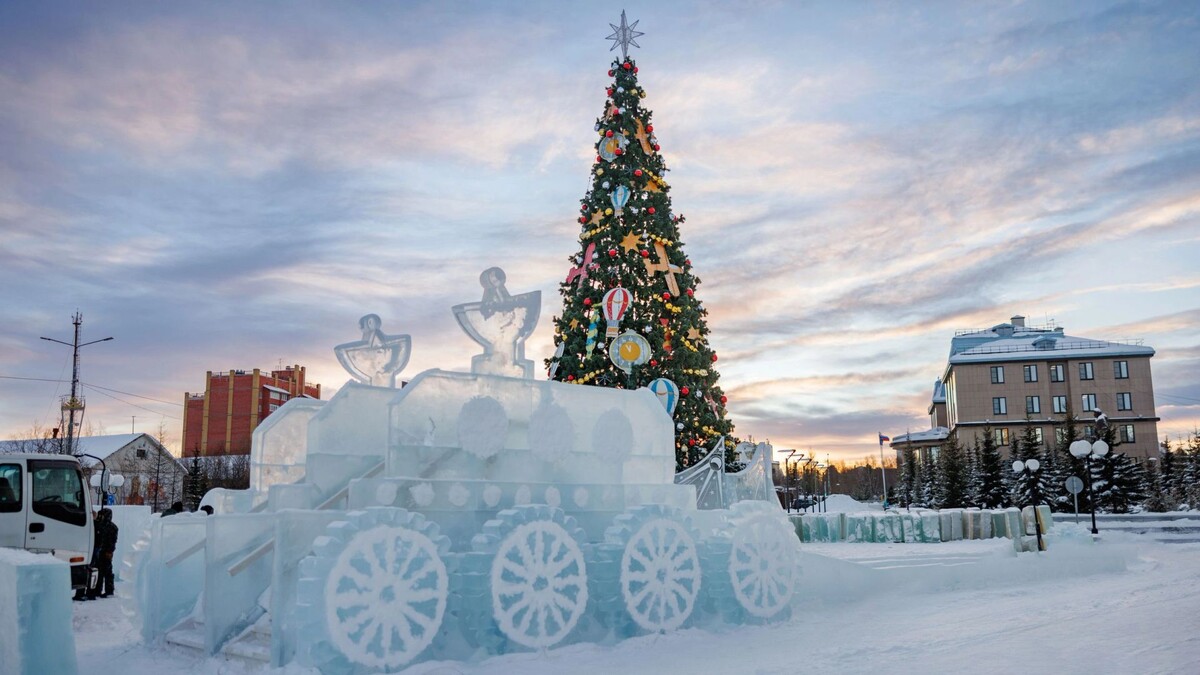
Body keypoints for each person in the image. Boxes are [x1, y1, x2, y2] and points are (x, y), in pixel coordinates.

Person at [90, 508, 118, 598]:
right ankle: (104, 590)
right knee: (102, 571)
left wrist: (109, 550)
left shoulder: (107, 526)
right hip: (104, 551)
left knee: (105, 571)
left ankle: (106, 590)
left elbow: (112, 541)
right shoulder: (110, 526)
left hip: (105, 551)